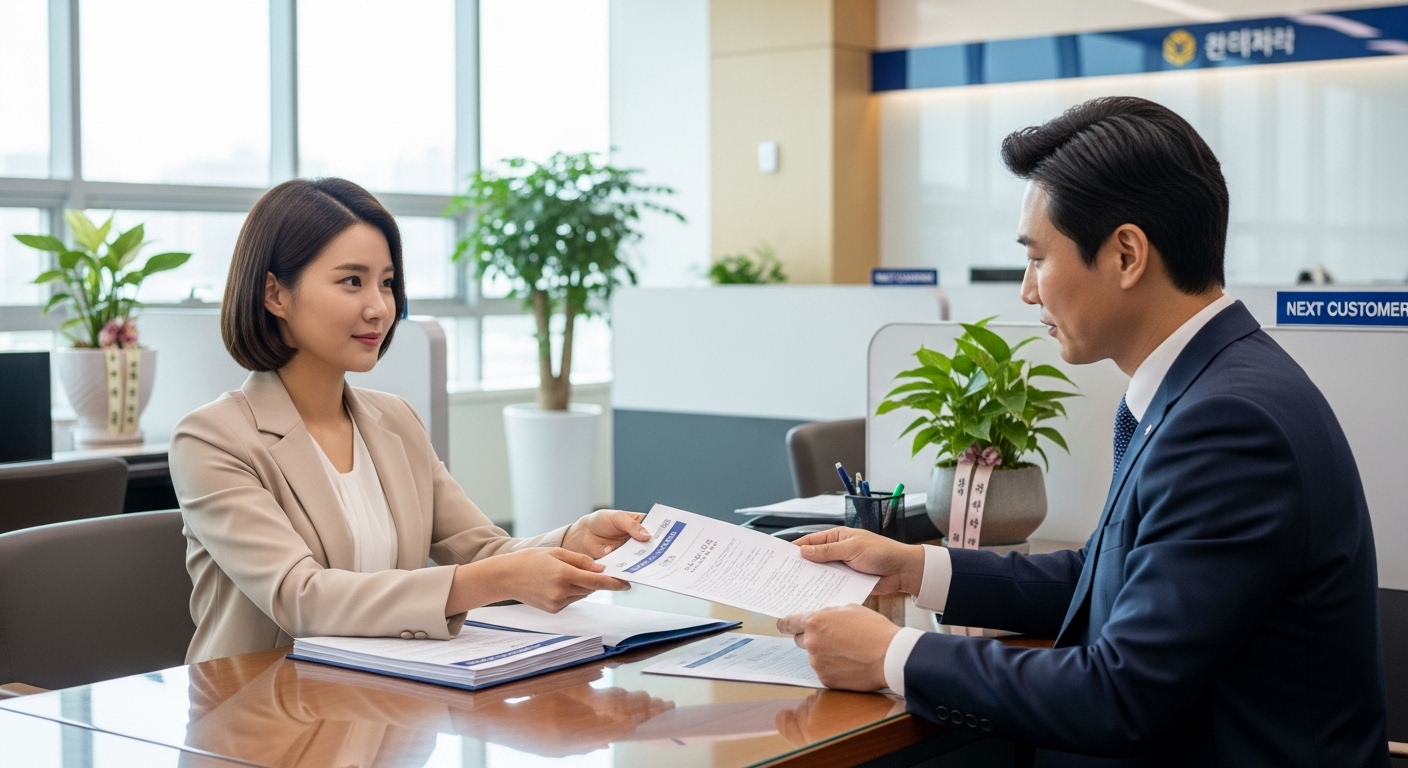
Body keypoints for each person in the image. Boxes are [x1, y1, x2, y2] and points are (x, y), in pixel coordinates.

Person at [778, 97, 1389, 766]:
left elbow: (1118, 698)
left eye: (1038, 258)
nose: (1027, 291)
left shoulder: (1229, 423)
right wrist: (916, 568)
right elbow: (1116, 578)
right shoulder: (1212, 384)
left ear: (1126, 254)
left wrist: (891, 655)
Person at [170, 178, 649, 664]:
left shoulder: (395, 420)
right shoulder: (212, 440)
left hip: (381, 703)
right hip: (259, 713)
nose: (380, 307)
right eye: (352, 281)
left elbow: (481, 553)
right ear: (275, 293)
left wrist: (577, 540)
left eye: (387, 282)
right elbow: (301, 598)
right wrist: (499, 577)